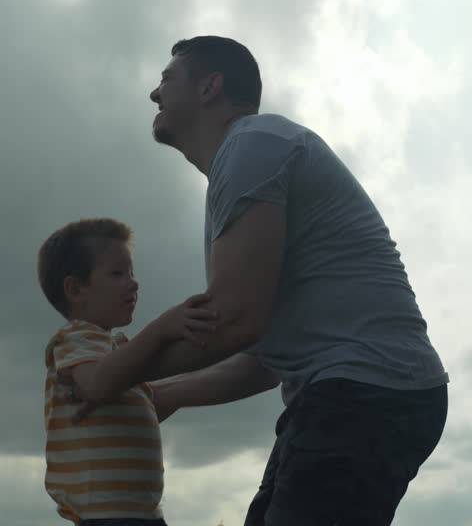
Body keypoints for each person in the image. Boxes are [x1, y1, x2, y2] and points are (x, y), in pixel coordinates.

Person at [132, 35, 450, 525]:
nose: (155, 94)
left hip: (362, 391)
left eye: (166, 79)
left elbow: (236, 321)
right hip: (364, 390)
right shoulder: (242, 161)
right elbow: (266, 357)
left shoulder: (251, 146)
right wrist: (162, 393)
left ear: (209, 88)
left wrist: (110, 376)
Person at [38, 217, 219, 525]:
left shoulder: (117, 348)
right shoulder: (75, 339)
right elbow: (96, 384)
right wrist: (161, 329)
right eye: (118, 273)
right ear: (75, 289)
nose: (133, 282)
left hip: (142, 514)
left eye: (132, 272)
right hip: (107, 516)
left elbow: (153, 397)